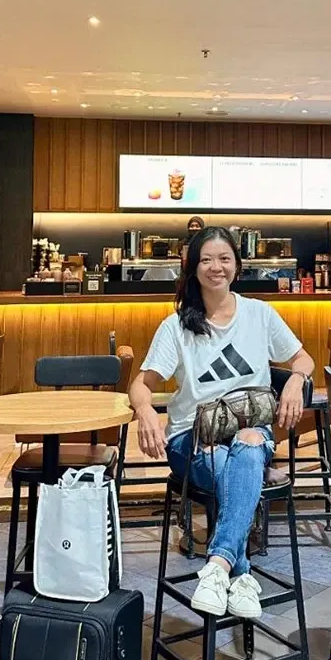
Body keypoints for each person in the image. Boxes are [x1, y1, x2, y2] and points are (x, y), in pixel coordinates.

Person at [129, 225, 314, 618]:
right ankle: (240, 570)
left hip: (248, 432)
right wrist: (144, 410)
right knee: (234, 460)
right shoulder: (176, 325)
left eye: (224, 259)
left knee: (248, 439)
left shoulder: (259, 314)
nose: (216, 267)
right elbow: (142, 385)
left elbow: (303, 359)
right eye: (207, 260)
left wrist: (296, 380)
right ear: (193, 268)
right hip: (190, 439)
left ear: (237, 264)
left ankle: (218, 567)